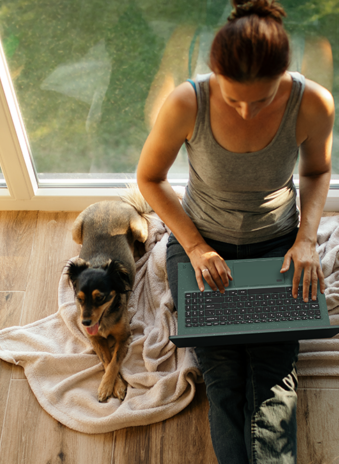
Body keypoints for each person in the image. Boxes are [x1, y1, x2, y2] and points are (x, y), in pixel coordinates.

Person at [136, 0, 334, 462]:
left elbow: (318, 172)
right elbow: (150, 178)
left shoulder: (313, 103)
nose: (246, 112)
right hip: (201, 242)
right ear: (213, 73)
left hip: (278, 246)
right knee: (223, 375)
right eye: (232, 98)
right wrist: (196, 246)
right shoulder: (187, 102)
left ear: (285, 74)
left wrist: (306, 241)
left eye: (261, 100)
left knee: (273, 376)